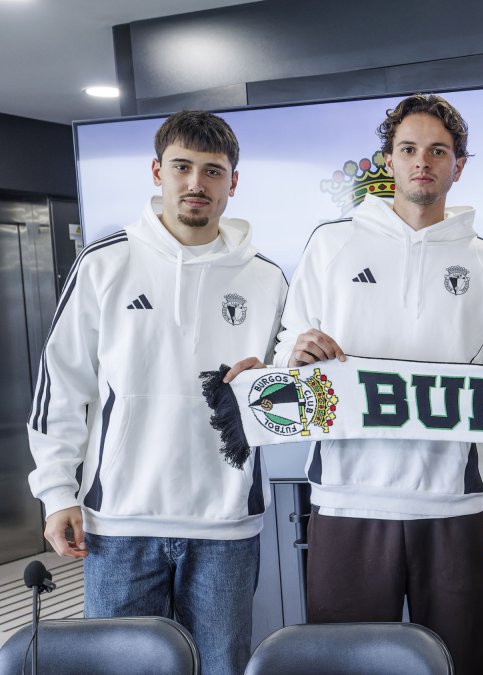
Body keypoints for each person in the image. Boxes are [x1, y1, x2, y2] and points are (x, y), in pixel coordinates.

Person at [266, 94, 483, 675]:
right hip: (348, 496)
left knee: (466, 662)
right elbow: (287, 355)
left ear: (459, 165)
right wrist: (295, 356)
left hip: (450, 499)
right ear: (388, 160)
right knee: (348, 664)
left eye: (438, 151)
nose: (422, 162)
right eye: (408, 149)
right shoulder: (331, 246)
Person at [26, 111, 287, 675]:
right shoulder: (104, 263)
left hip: (225, 524)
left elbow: (285, 394)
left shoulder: (268, 279)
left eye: (213, 171)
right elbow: (62, 382)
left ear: (233, 182)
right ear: (157, 172)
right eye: (182, 167)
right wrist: (56, 493)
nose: (197, 184)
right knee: (121, 670)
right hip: (121, 521)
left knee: (221, 668)